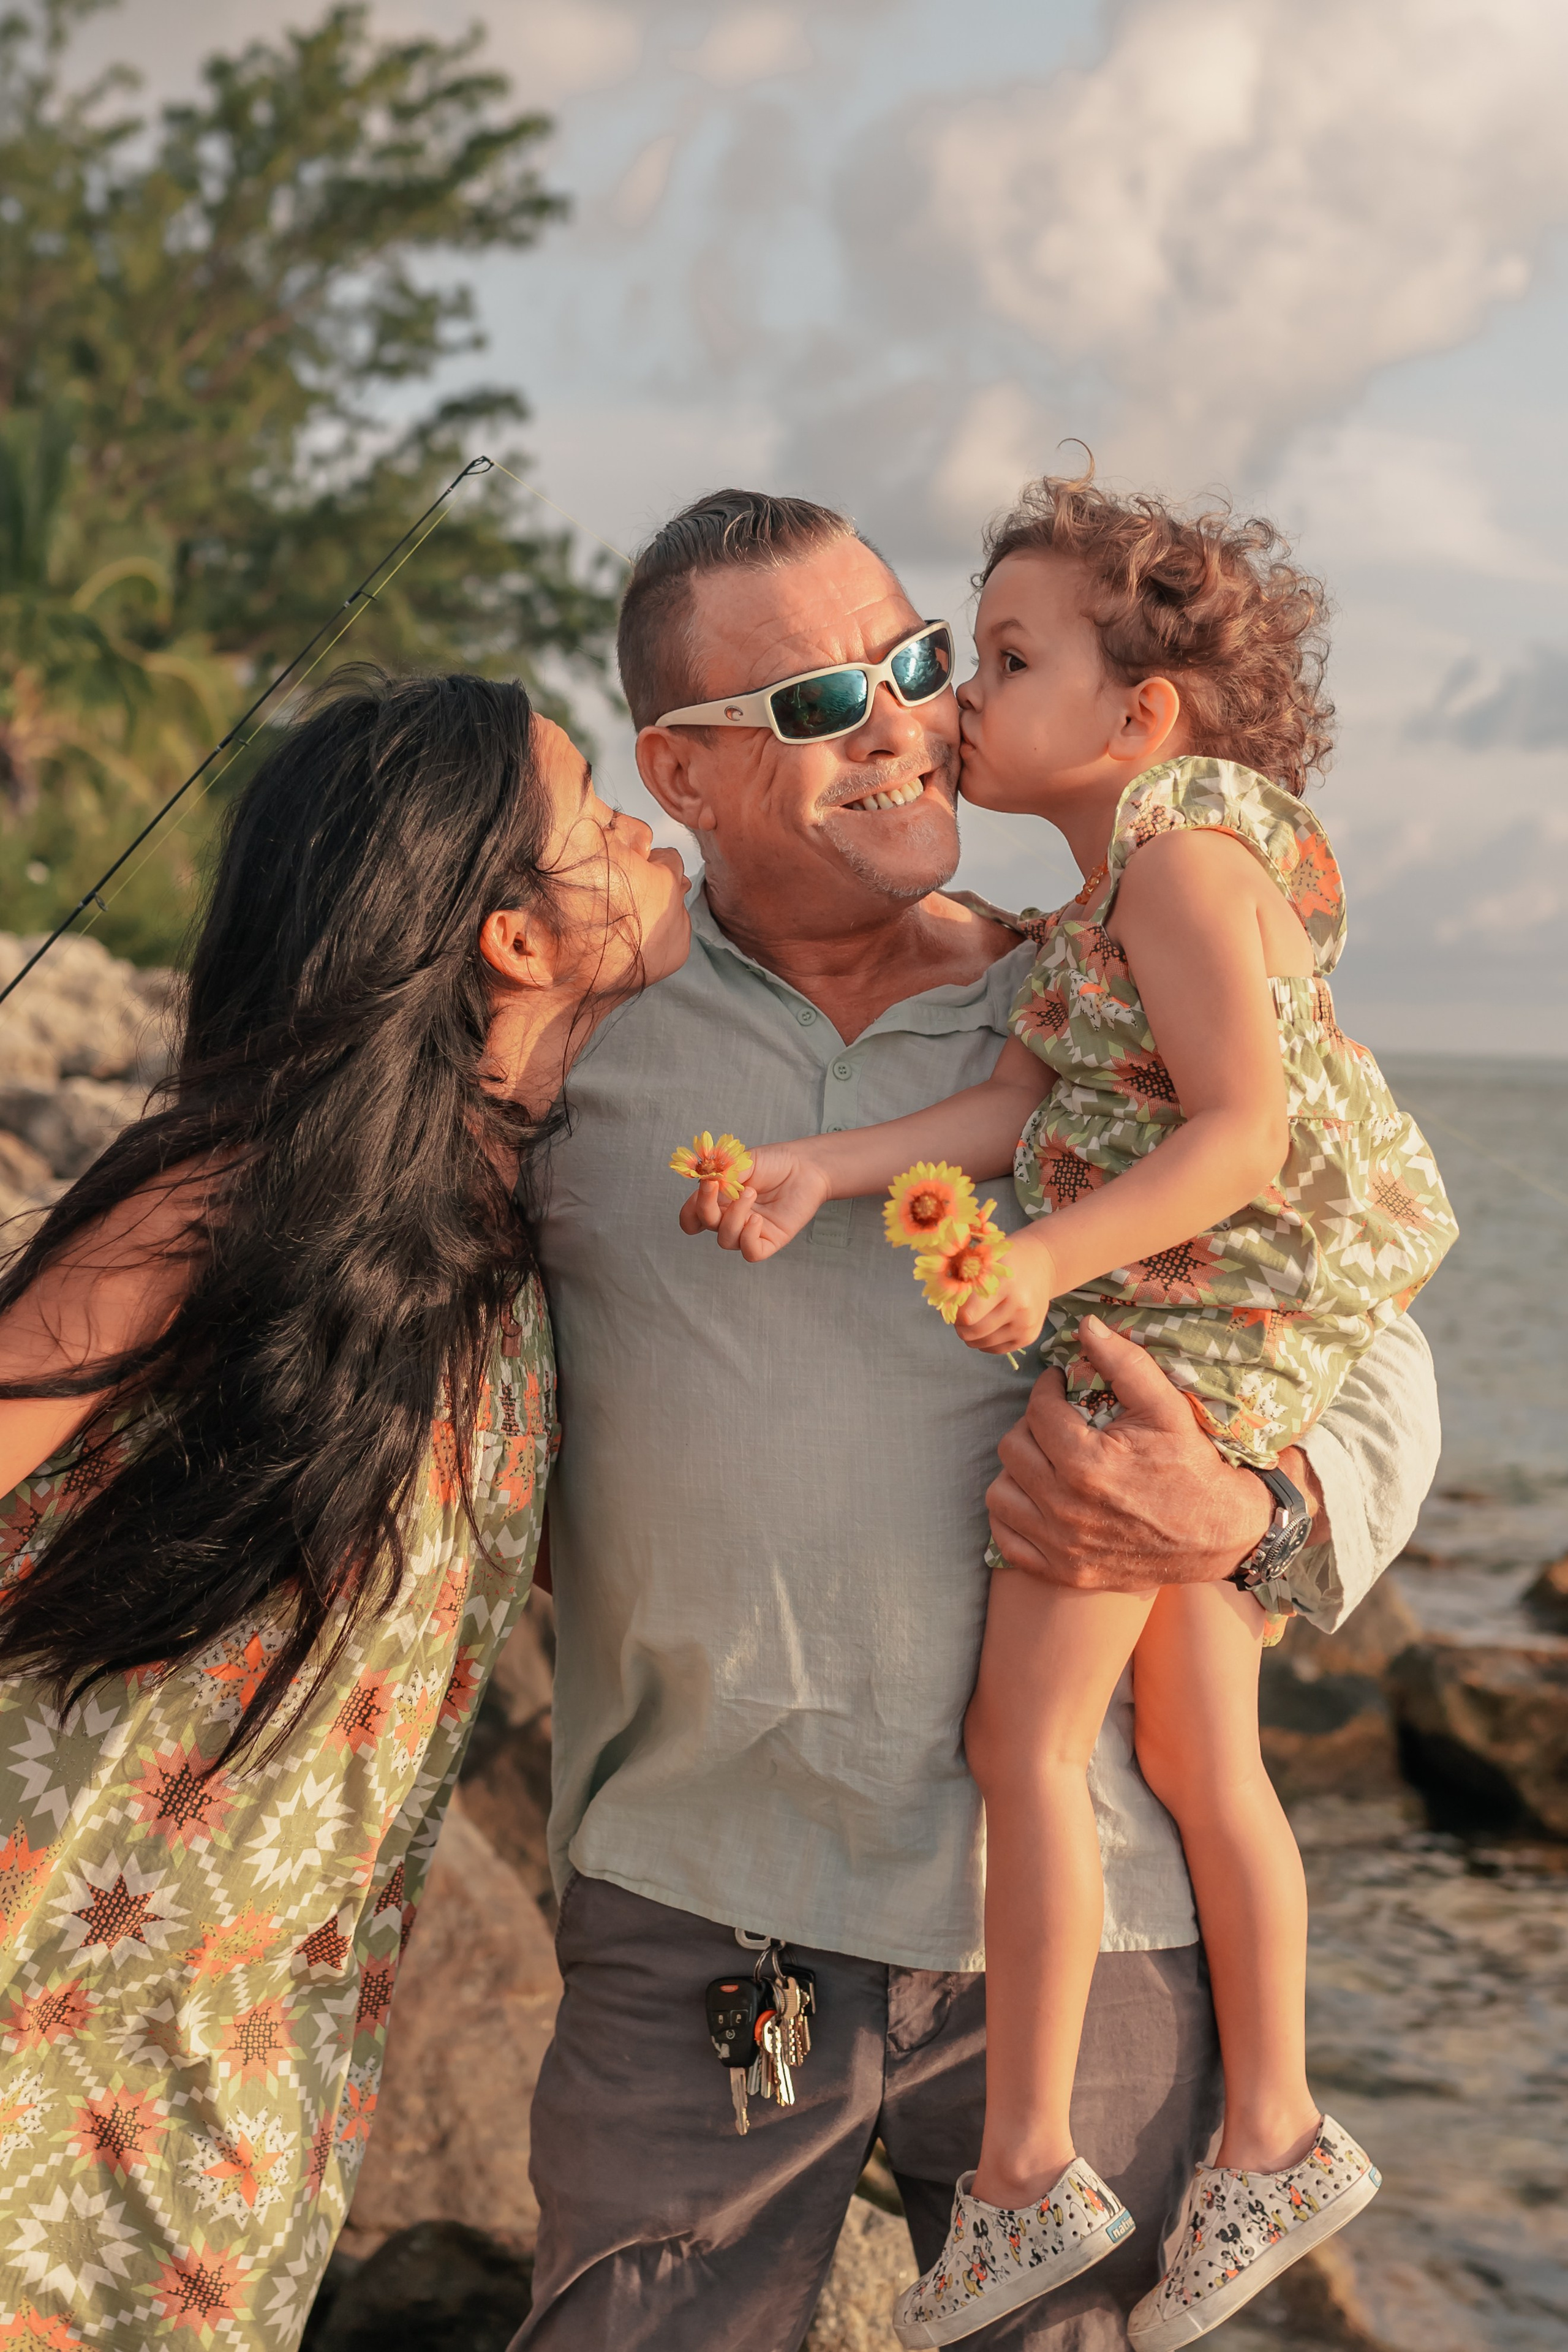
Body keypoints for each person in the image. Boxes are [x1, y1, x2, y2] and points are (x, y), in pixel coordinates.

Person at [515, 489, 1442, 2352]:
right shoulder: (577, 1050)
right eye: (814, 703)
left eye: (919, 662)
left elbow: (1364, 1335)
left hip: (1101, 1925)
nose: (901, 723)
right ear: (679, 775)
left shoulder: (1106, 979)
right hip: (704, 1910)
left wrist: (1246, 1513)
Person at [0, 671, 688, 2351]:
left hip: (252, 2056)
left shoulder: (511, 1249)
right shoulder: (230, 1196)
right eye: (601, 819)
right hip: (45, 2000)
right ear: (513, 940)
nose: (650, 832)